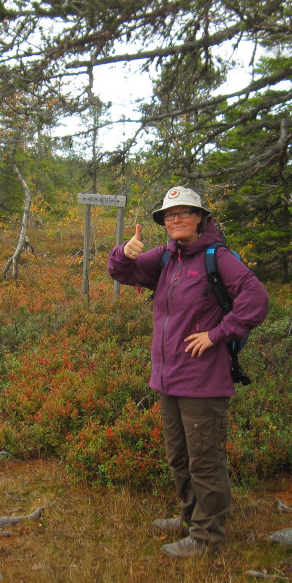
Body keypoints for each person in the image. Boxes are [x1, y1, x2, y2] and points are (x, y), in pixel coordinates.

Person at [107, 186, 268, 558]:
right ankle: (189, 517)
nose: (175, 219)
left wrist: (216, 334)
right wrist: (123, 252)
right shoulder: (168, 256)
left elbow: (257, 300)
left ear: (200, 218)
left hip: (203, 380)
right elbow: (122, 272)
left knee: (205, 460)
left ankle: (207, 537)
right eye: (169, 214)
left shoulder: (218, 257)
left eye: (183, 212)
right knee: (179, 457)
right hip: (168, 378)